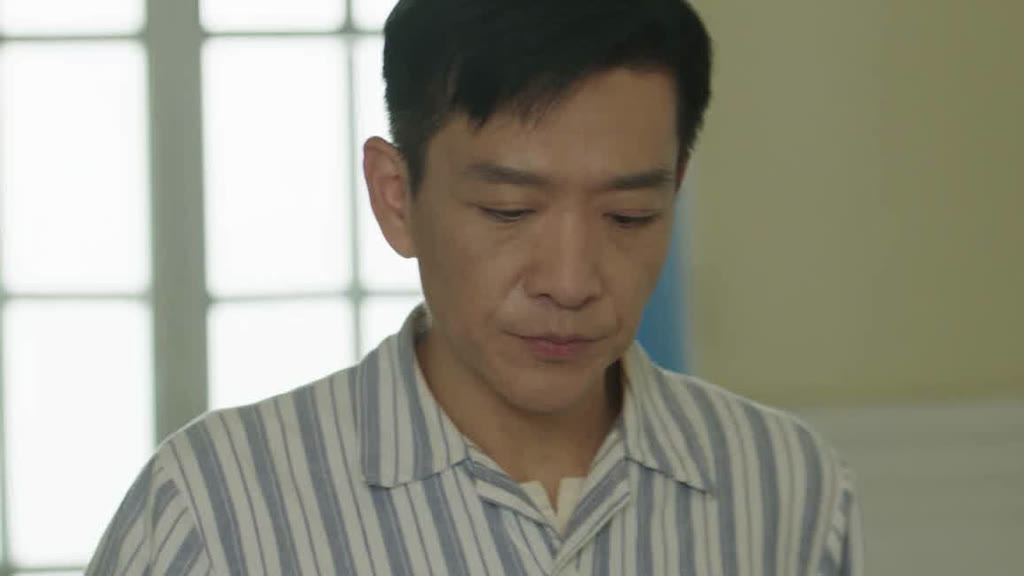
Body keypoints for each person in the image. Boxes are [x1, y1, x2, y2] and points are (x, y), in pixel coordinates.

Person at [87, 0, 862, 574]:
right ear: (397, 197)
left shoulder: (783, 484)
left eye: (629, 216)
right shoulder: (216, 509)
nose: (570, 283)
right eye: (508, 210)